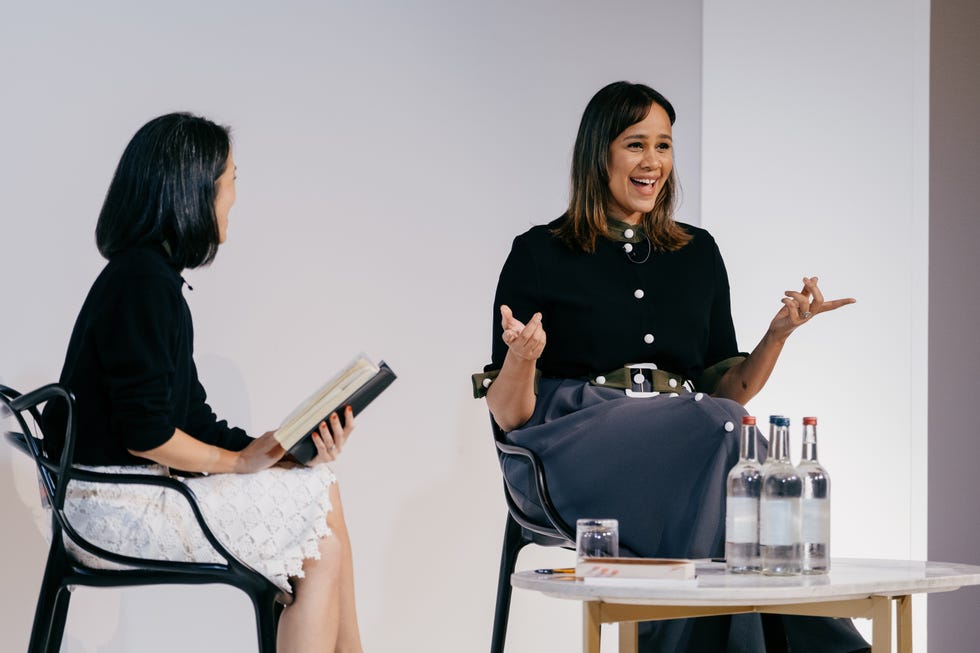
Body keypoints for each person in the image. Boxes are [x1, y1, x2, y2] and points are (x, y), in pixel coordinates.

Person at [477, 82, 869, 652]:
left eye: (664, 146)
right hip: (572, 446)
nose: (653, 162)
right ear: (599, 154)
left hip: (686, 439)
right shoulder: (540, 252)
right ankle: (824, 642)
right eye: (636, 145)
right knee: (721, 431)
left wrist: (777, 335)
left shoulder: (698, 253)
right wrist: (522, 358)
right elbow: (511, 415)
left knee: (725, 426)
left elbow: (729, 389)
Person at [43, 112, 363, 652]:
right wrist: (241, 463)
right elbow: (145, 434)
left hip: (125, 489)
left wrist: (284, 450)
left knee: (320, 491)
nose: (236, 195)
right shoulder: (144, 283)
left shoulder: (151, 278)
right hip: (110, 505)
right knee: (321, 545)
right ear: (194, 190)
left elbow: (191, 419)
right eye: (232, 179)